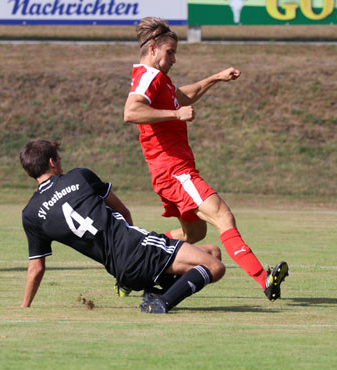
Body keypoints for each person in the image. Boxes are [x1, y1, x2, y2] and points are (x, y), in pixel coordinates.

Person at [123, 17, 288, 301]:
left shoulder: (159, 79)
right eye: (170, 52)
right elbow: (131, 111)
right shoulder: (148, 77)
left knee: (193, 234)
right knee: (223, 216)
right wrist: (175, 115)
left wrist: (214, 79)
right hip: (174, 171)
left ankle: (133, 262)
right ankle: (265, 279)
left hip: (171, 171)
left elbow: (182, 97)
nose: (174, 59)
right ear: (152, 49)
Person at [19, 139, 226, 314]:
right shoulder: (79, 176)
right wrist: (135, 243)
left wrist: (24, 306)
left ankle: (157, 293)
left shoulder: (30, 214)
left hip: (120, 271)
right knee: (215, 267)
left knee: (213, 252)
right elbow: (124, 212)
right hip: (139, 249)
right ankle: (163, 302)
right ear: (52, 162)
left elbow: (36, 268)